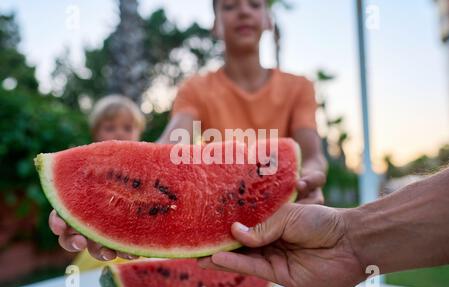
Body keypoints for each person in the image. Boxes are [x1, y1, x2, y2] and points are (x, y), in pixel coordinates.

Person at [49, 0, 327, 261]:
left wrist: (308, 180)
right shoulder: (197, 88)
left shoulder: (299, 87)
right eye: (229, 6)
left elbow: (311, 155)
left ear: (268, 19)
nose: (243, 11)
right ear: (215, 25)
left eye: (255, 4)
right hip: (218, 221)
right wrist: (95, 188)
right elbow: (168, 146)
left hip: (280, 222)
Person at [198, 168, 449, 287]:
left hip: (283, 246)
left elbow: (312, 157)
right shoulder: (198, 90)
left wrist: (303, 179)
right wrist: (349, 238)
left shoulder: (293, 86)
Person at [50, 95, 145, 263]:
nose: (120, 133)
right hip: (97, 250)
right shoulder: (88, 169)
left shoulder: (146, 168)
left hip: (139, 246)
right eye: (109, 128)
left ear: (139, 132)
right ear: (95, 133)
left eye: (128, 128)